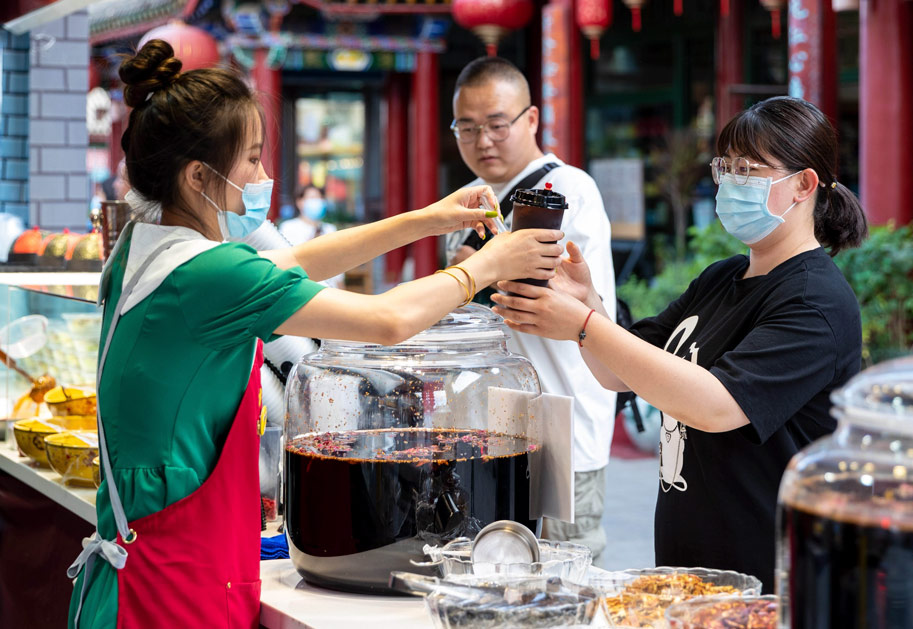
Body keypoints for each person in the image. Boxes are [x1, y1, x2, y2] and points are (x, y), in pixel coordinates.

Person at [66, 40, 563, 629]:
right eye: (251, 160)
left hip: (132, 580)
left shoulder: (146, 252)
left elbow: (296, 261)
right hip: (172, 595)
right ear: (199, 175)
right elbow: (388, 322)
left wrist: (431, 217)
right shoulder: (209, 273)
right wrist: (486, 264)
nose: (264, 176)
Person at [492, 96, 869, 592]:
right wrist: (588, 301)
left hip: (769, 581)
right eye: (725, 167)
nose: (731, 182)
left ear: (804, 184)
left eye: (749, 170)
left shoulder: (817, 302)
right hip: (687, 571)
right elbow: (620, 370)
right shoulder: (723, 278)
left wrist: (584, 323)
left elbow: (718, 405)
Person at [445, 56, 617, 565]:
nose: (484, 140)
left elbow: (564, 296)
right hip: (489, 427)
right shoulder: (472, 203)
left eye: (497, 124)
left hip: (561, 431)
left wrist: (473, 271)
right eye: (468, 127)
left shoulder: (567, 191)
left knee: (566, 575)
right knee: (495, 571)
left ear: (532, 120)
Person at [280, 185, 344, 287]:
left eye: (319, 198)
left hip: (330, 288)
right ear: (300, 202)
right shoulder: (289, 228)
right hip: (302, 287)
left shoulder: (329, 229)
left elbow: (338, 266)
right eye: (312, 198)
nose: (316, 202)